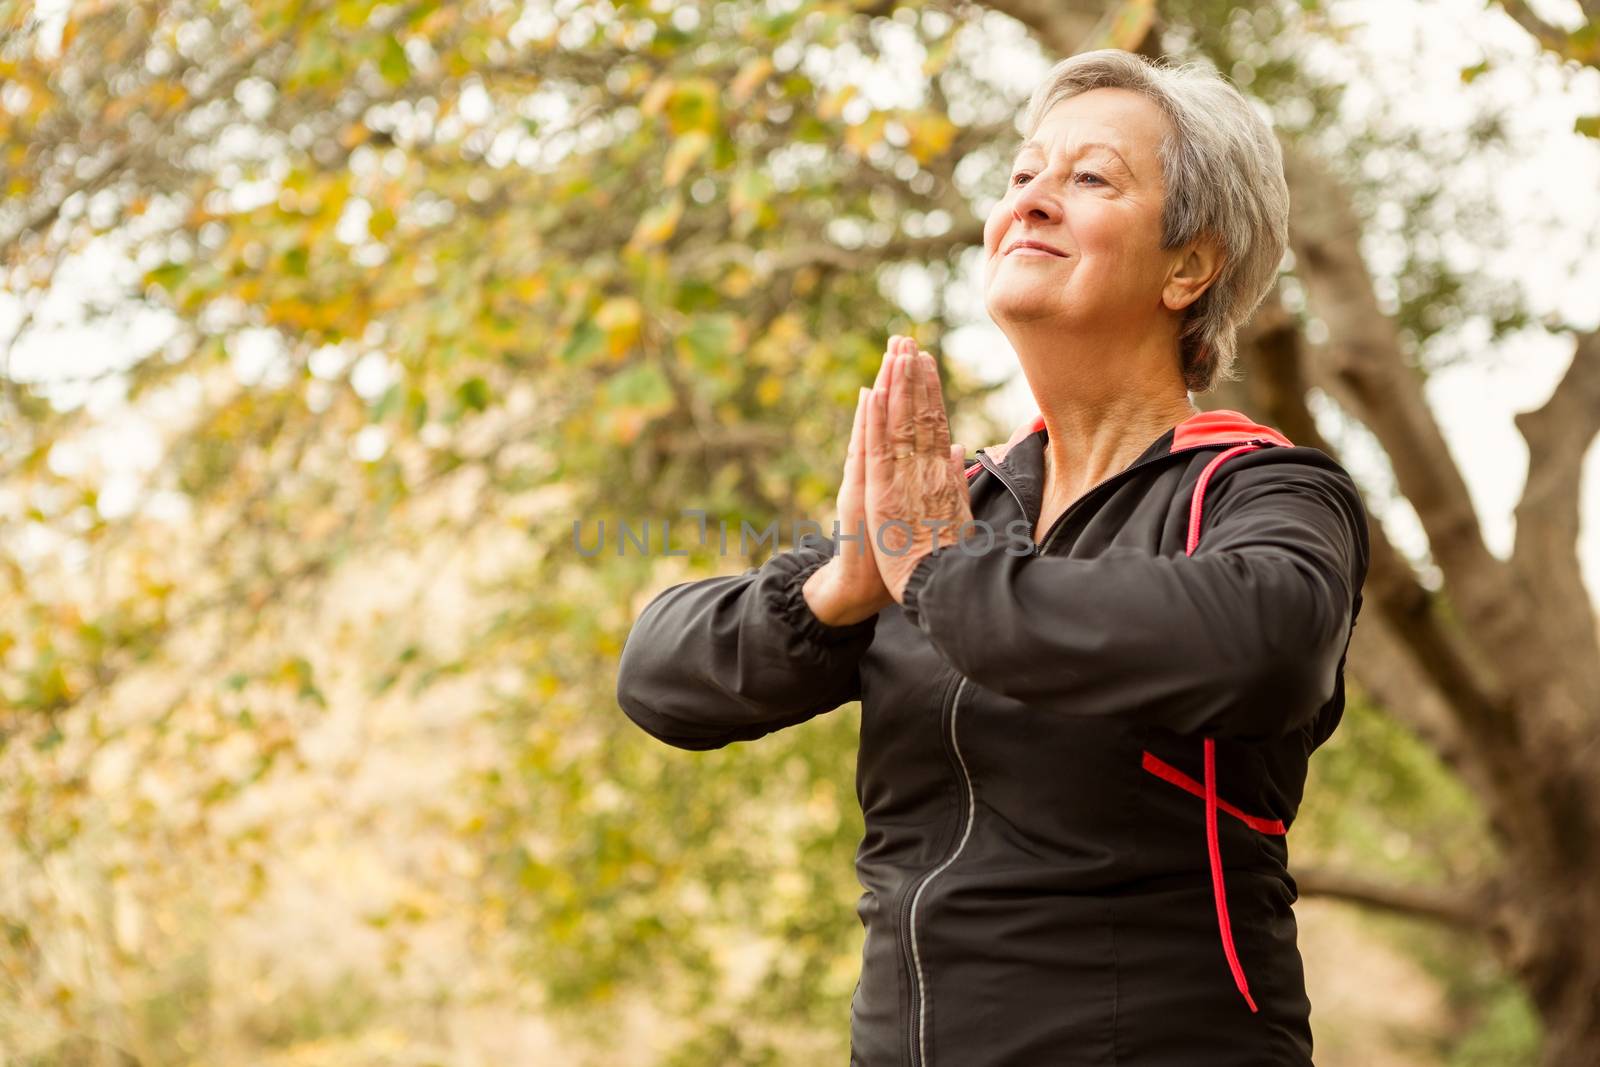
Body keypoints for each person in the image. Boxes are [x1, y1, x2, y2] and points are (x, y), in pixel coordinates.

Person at [615, 47, 1369, 1067]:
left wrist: (938, 573)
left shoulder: (1259, 493)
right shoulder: (947, 505)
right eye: (1022, 176)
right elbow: (662, 676)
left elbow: (1262, 644)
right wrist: (845, 582)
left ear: (1190, 266)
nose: (1034, 201)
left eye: (1089, 177)